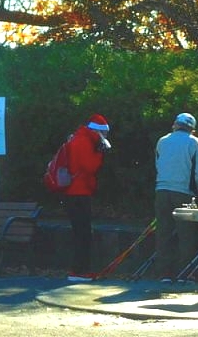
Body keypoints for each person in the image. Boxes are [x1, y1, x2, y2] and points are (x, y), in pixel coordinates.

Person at [154, 112, 198, 284]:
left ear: (175, 124)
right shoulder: (196, 143)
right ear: (192, 129)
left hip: (161, 191)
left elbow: (158, 163)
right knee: (186, 235)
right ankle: (185, 273)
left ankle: (164, 274)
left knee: (163, 232)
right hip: (184, 192)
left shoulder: (162, 141)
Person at [62, 113, 110, 282]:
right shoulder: (83, 141)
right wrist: (99, 154)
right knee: (83, 233)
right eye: (104, 133)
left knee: (80, 232)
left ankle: (78, 269)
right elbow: (90, 166)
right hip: (79, 191)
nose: (105, 137)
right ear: (98, 131)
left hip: (74, 192)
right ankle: (79, 271)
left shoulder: (78, 138)